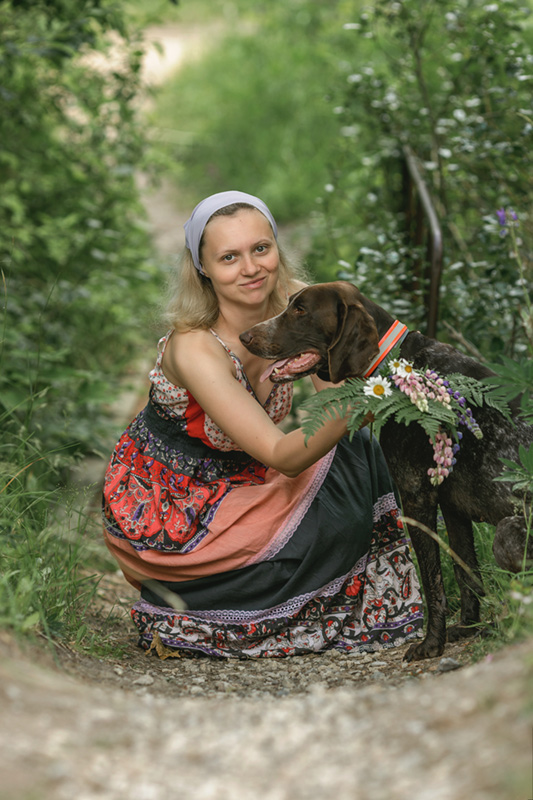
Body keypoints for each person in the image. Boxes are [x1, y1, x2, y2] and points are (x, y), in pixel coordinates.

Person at [102, 190, 424, 658]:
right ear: (203, 268)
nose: (251, 268)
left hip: (243, 481)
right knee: (345, 449)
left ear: (277, 248)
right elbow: (283, 455)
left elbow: (335, 396)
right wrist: (375, 391)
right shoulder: (195, 348)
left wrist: (369, 367)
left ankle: (334, 592)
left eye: (260, 248)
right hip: (175, 509)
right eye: (229, 257)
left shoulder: (294, 305)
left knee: (357, 452)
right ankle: (221, 602)